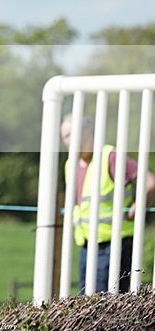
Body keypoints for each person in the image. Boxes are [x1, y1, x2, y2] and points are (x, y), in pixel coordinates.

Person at [60, 114, 155, 293]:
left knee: (108, 308)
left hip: (114, 245)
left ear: (89, 131)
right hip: (87, 244)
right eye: (66, 136)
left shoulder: (109, 157)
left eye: (75, 133)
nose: (70, 140)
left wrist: (138, 205)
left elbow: (149, 181)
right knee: (84, 303)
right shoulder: (70, 164)